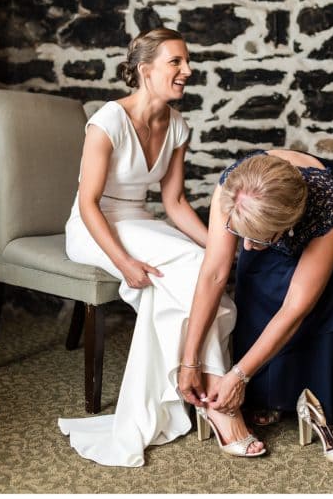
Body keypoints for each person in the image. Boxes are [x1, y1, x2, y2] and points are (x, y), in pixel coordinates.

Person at [57, 27, 264, 467]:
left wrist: (222, 247)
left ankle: (203, 396)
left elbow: (175, 203)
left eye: (186, 62)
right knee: (194, 269)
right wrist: (124, 262)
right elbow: (88, 204)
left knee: (192, 274)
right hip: (95, 228)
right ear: (144, 69)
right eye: (177, 62)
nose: (187, 71)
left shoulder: (178, 126)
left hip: (140, 222)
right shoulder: (107, 121)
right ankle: (218, 405)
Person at [178, 150, 333, 465]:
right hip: (264, 205)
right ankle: (273, 395)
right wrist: (189, 361)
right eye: (239, 234)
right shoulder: (232, 191)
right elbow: (214, 274)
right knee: (257, 280)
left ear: (286, 225)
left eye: (256, 239)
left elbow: (296, 306)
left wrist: (239, 376)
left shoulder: (330, 202)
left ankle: (328, 401)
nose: (245, 247)